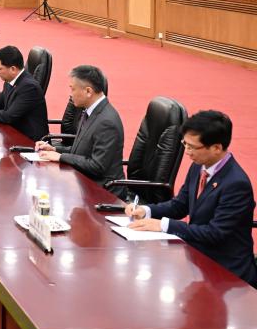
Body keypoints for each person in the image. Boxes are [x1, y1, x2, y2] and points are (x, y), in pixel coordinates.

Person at [126, 110, 257, 288]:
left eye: (192, 147)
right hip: (197, 257)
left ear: (216, 148)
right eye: (184, 144)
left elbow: (215, 233)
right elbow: (180, 205)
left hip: (226, 271)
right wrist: (146, 210)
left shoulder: (236, 184)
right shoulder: (199, 166)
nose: (186, 152)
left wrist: (164, 225)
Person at [34, 65, 126, 198]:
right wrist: (55, 150)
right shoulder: (89, 111)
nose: (70, 95)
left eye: (72, 89)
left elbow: (97, 166)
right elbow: (81, 150)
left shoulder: (107, 122)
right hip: (83, 182)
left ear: (88, 91)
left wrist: (61, 157)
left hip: (103, 192)